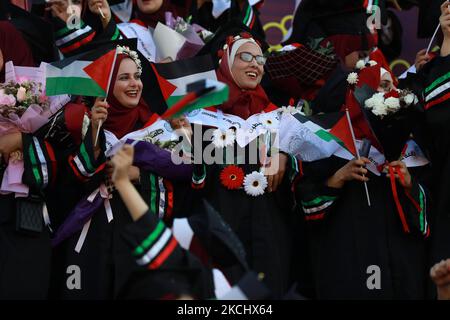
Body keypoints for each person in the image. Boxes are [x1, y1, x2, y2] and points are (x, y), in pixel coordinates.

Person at [295, 61, 431, 300]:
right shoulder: (328, 148)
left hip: (400, 263)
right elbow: (307, 207)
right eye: (379, 86)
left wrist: (409, 184)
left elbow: (428, 219)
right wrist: (338, 178)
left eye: (390, 86)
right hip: (351, 262)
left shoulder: (412, 150)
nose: (387, 93)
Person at [191, 33, 302, 297]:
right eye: (246, 57)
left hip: (269, 232)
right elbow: (192, 172)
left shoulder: (280, 115)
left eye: (260, 60)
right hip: (219, 229)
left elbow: (305, 173)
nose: (255, 64)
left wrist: (285, 154)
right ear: (226, 62)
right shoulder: (200, 113)